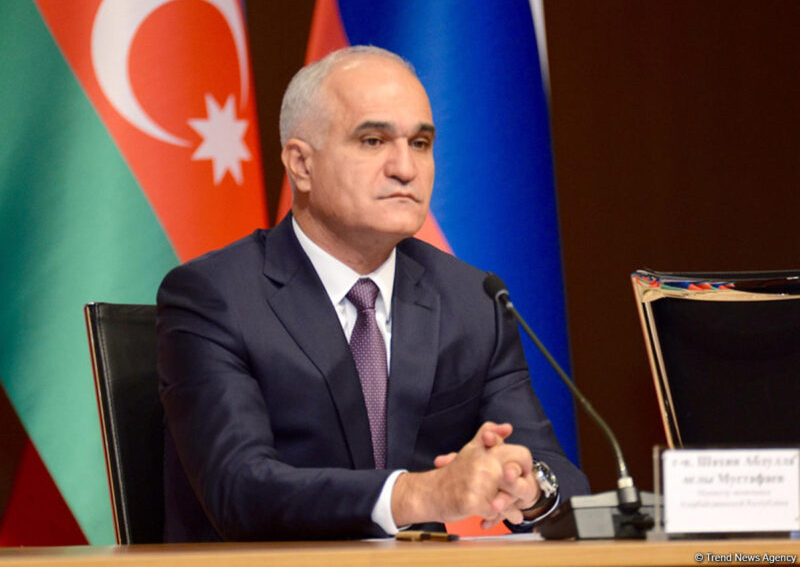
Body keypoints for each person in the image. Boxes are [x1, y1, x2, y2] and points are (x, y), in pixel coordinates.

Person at [157, 45, 590, 542]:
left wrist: (528, 487)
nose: (405, 168)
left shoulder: (473, 300)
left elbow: (563, 482)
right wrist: (419, 494)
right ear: (301, 164)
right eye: (373, 140)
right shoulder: (216, 296)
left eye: (421, 143)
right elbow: (240, 489)